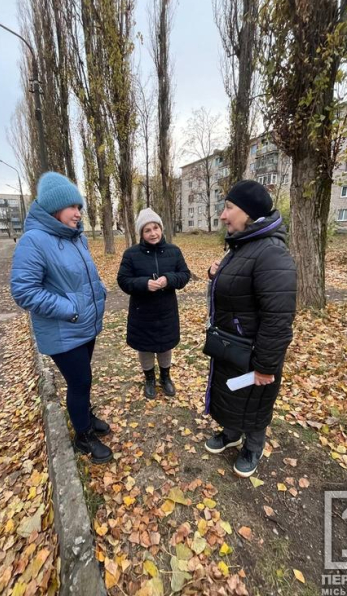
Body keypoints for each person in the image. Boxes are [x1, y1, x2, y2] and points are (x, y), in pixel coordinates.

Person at [10, 171, 112, 464]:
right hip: (63, 329)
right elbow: (24, 291)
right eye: (73, 207)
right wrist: (69, 308)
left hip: (83, 326)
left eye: (80, 207)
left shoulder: (75, 238)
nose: (79, 213)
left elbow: (80, 277)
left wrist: (99, 288)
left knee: (83, 380)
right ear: (55, 207)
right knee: (79, 381)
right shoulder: (34, 241)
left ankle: (86, 419)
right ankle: (83, 436)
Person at [204, 180, 296, 477]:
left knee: (254, 398)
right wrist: (216, 274)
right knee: (233, 391)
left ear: (249, 213)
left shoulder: (271, 253)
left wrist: (266, 366)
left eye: (229, 208)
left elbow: (278, 318)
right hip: (233, 347)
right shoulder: (243, 243)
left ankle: (253, 446)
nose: (222, 215)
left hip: (255, 352)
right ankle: (232, 433)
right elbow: (238, 285)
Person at [117, 208, 191, 399]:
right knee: (145, 347)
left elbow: (184, 275)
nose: (153, 233)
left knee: (166, 345)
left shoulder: (174, 251)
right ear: (141, 233)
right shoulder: (131, 254)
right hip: (142, 311)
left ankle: (165, 377)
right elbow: (123, 280)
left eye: (155, 228)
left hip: (166, 310)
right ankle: (149, 378)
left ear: (161, 228)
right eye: (147, 230)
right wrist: (143, 284)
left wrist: (168, 279)